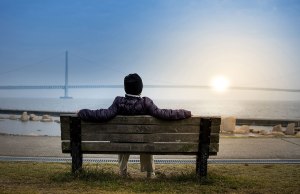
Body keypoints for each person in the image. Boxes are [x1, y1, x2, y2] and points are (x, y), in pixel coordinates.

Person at [77, 73, 191, 178]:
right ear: (140, 88)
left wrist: (82, 112)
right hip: (143, 141)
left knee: (122, 139)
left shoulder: (118, 102)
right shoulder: (146, 102)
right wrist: (186, 113)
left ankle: (123, 172)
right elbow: (165, 114)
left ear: (125, 88)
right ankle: (150, 173)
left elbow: (102, 114)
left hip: (123, 141)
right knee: (147, 140)